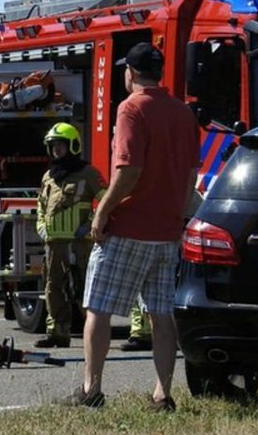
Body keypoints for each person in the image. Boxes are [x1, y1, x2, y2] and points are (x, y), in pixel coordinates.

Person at [65, 42, 200, 411]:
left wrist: (103, 211)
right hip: (167, 230)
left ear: (131, 73)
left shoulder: (131, 109)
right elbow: (191, 173)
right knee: (161, 314)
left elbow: (128, 170)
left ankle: (91, 389)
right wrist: (176, 212)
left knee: (99, 308)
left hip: (129, 227)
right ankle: (162, 394)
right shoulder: (183, 113)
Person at [33, 123, 105, 349]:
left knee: (84, 288)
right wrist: (42, 227)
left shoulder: (88, 173)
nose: (56, 151)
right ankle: (57, 333)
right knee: (53, 287)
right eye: (53, 147)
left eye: (60, 146)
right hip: (54, 244)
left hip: (79, 244)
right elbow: (41, 207)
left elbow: (106, 200)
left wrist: (92, 224)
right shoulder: (48, 177)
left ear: (73, 146)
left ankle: (94, 335)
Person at [120, 189, 201, 351]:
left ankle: (147, 333)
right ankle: (147, 333)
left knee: (157, 283)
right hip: (172, 227)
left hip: (172, 228)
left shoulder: (162, 180)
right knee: (164, 285)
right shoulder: (178, 179)